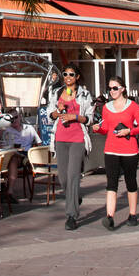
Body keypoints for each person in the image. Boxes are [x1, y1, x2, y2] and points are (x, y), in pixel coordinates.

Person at [93, 76, 139, 229]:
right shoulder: (106, 107)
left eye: (115, 88)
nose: (112, 91)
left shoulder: (132, 106)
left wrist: (129, 130)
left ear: (122, 89)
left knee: (131, 181)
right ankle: (109, 216)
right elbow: (105, 129)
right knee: (111, 183)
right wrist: (98, 128)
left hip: (129, 150)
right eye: (109, 88)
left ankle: (132, 214)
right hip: (111, 149)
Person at [48, 64, 93, 231]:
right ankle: (74, 197)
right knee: (63, 178)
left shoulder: (85, 94)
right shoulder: (56, 92)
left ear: (77, 77)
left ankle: (71, 215)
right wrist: (57, 112)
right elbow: (49, 114)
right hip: (59, 138)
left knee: (73, 175)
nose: (67, 77)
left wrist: (74, 117)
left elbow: (89, 119)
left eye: (71, 74)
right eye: (65, 74)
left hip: (77, 138)